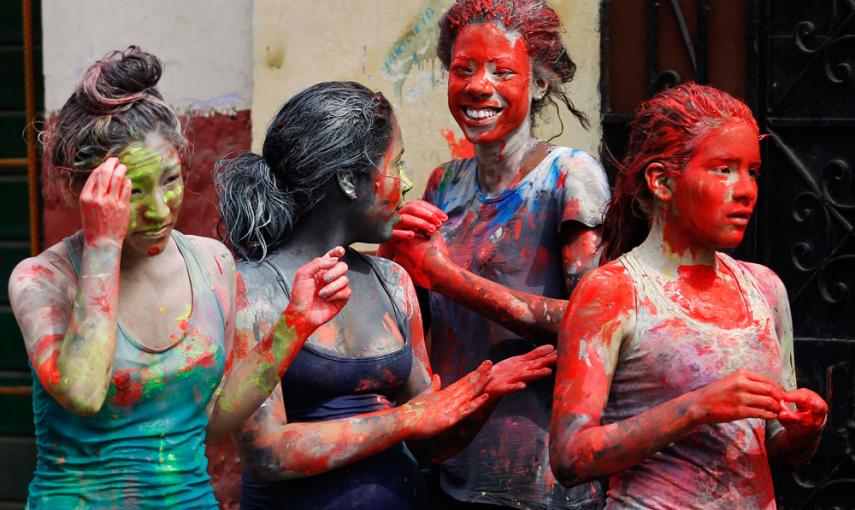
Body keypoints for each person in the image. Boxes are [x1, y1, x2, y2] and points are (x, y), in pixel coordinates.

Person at [9, 47, 351, 509]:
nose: (158, 208)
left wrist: (295, 325)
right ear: (82, 190)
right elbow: (84, 393)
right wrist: (103, 247)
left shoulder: (211, 263)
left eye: (169, 180)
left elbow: (212, 421)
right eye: (132, 191)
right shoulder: (42, 280)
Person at [215, 81, 557, 510]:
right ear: (350, 181)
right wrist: (405, 420)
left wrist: (482, 397)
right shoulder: (256, 288)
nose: (409, 182)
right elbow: (266, 452)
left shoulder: (393, 282)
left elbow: (427, 443)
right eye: (398, 164)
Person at [549, 83, 828, 509]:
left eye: (752, 171)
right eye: (723, 169)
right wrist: (698, 407)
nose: (746, 190)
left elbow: (772, 445)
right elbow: (569, 456)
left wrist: (803, 429)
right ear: (661, 181)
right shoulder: (615, 291)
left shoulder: (764, 289)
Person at [380, 1, 609, 508]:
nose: (478, 86)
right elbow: (415, 310)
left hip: (543, 478)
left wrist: (450, 278)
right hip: (450, 463)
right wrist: (391, 249)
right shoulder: (444, 183)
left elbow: (596, 325)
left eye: (502, 71)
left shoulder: (570, 177)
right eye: (463, 70)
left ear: (540, 83)